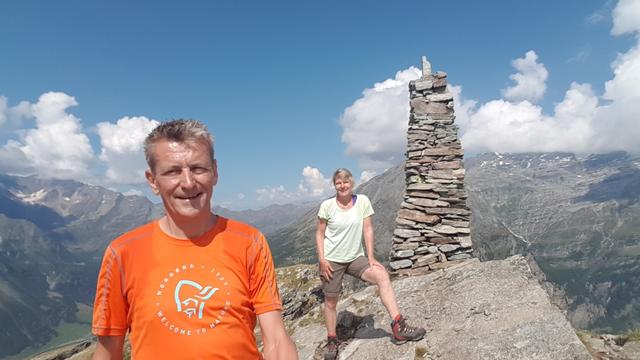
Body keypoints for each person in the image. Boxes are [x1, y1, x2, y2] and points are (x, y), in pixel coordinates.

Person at [91, 119, 297, 360]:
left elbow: (276, 338)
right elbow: (108, 351)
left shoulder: (249, 242)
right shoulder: (122, 253)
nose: (188, 183)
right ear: (152, 181)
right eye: (173, 171)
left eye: (198, 168)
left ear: (215, 172)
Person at [316, 168, 425, 360]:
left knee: (382, 276)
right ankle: (332, 340)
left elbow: (368, 229)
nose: (342, 185)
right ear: (335, 185)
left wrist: (371, 258)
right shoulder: (327, 206)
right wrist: (322, 260)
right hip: (332, 260)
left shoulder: (363, 201)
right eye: (338, 182)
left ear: (352, 182)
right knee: (331, 301)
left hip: (355, 258)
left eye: (345, 181)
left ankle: (399, 326)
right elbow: (319, 233)